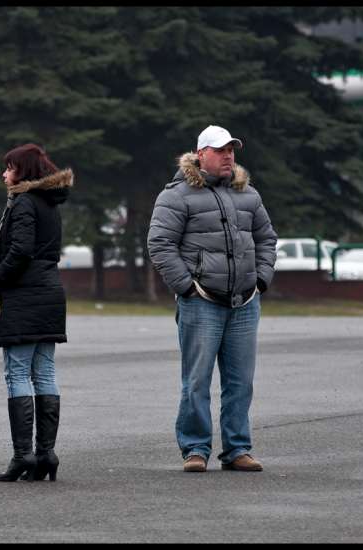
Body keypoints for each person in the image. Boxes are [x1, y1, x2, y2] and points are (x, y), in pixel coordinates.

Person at [147, 125, 277, 473]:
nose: (228, 156)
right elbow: (160, 244)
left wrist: (261, 279)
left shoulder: (249, 194)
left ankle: (237, 449)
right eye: (220, 150)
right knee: (196, 381)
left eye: (231, 150)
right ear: (201, 154)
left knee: (240, 382)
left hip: (245, 302)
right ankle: (195, 449)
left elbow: (267, 238)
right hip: (201, 301)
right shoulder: (176, 195)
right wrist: (186, 287)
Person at [0, 143, 73, 482]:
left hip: (26, 295)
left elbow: (21, 250)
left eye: (9, 167)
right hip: (50, 290)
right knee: (45, 372)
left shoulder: (23, 202)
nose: (4, 174)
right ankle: (46, 453)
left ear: (22, 171)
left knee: (18, 373)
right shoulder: (50, 202)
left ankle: (23, 455)